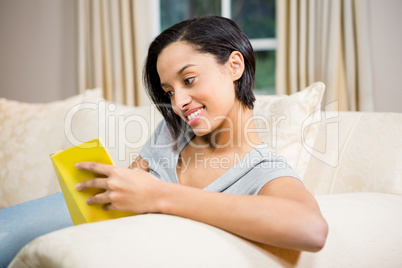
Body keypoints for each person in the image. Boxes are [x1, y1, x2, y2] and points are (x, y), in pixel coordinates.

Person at [0, 16, 328, 267]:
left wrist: (160, 195)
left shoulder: (262, 168)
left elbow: (311, 230)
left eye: (189, 80)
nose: (178, 103)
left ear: (234, 66)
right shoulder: (172, 133)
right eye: (170, 91)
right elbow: (132, 185)